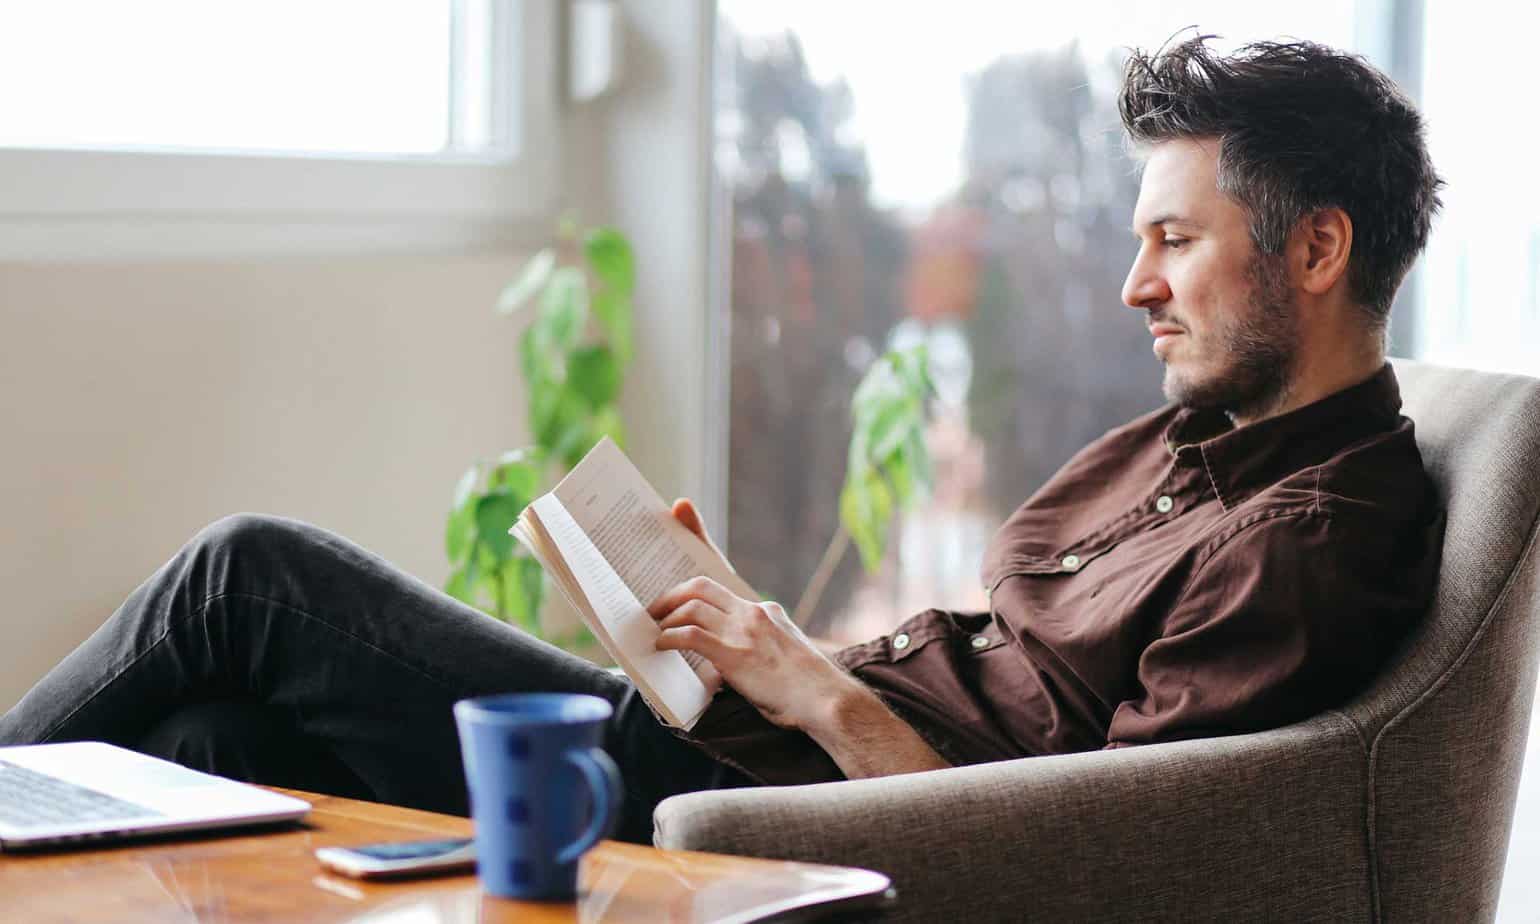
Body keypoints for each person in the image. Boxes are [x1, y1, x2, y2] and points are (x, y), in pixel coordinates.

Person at [0, 35, 1445, 845]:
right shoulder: (1205, 441)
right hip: (755, 746)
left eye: (1176, 241)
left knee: (248, 579)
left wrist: (814, 694)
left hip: (784, 819)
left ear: (1317, 250)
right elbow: (994, 682)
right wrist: (746, 640)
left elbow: (1085, 855)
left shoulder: (1310, 543)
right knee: (212, 742)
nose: (1135, 286)